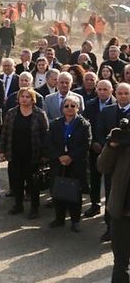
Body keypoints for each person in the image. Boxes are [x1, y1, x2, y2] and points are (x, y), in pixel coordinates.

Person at [0, 87, 50, 218]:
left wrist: (45, 154)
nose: (24, 99)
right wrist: (2, 151)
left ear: (33, 99)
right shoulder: (11, 113)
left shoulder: (39, 114)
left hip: (33, 154)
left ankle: (34, 208)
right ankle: (18, 204)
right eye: (22, 96)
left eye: (28, 97)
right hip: (15, 153)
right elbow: (4, 132)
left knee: (33, 183)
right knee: (17, 180)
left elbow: (45, 135)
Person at [97, 121, 130, 283]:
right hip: (122, 212)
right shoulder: (121, 137)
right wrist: (111, 145)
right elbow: (102, 166)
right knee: (120, 261)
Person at [47, 94, 92, 232]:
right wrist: (60, 157)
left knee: (74, 193)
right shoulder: (55, 124)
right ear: (62, 108)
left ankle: (75, 221)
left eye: (73, 106)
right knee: (58, 191)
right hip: (58, 163)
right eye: (66, 106)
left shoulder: (84, 124)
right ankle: (59, 219)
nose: (70, 108)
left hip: (76, 163)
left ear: (78, 108)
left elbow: (86, 143)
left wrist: (70, 157)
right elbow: (49, 143)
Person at [96, 83, 130, 242]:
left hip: (127, 161)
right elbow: (100, 132)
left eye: (126, 93)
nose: (123, 96)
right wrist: (109, 147)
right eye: (120, 93)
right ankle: (110, 228)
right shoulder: (107, 111)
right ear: (115, 93)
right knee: (110, 193)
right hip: (110, 159)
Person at [83, 80, 115, 218]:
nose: (102, 92)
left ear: (111, 91)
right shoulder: (90, 104)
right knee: (95, 179)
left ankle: (110, 209)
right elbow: (86, 125)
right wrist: (93, 143)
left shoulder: (116, 105)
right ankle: (95, 205)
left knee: (111, 183)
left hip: (112, 150)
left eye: (105, 89)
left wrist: (105, 144)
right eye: (100, 89)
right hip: (95, 148)